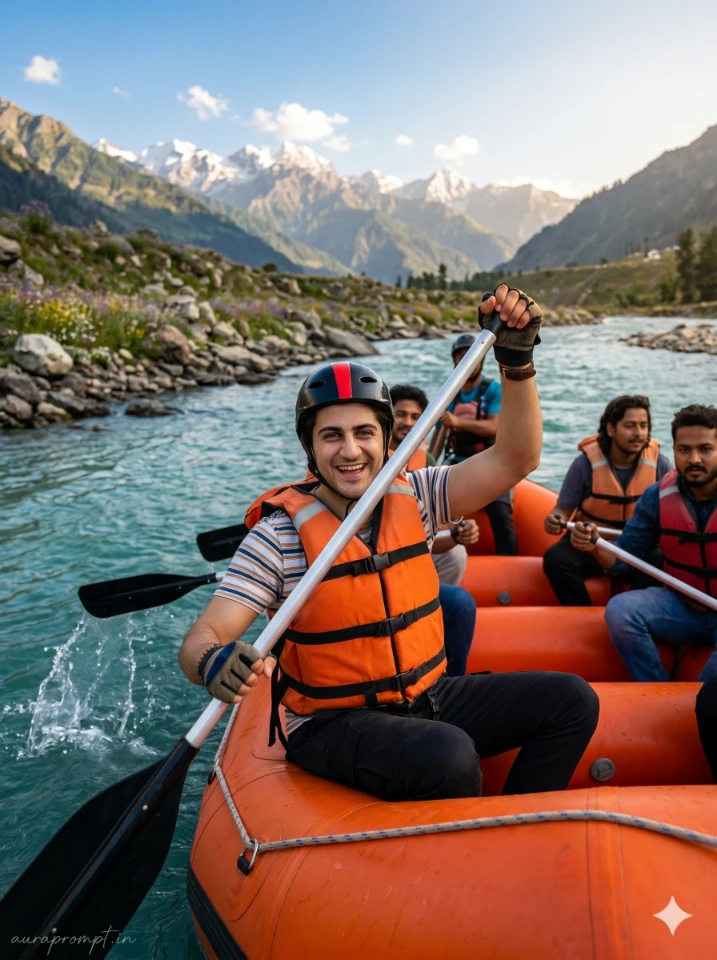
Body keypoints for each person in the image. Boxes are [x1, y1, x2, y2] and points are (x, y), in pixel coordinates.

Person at [179, 285, 599, 803]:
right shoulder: (279, 537)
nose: (350, 450)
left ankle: (520, 824)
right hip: (333, 723)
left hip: (426, 695)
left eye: (364, 432)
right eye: (331, 435)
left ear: (386, 440)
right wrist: (212, 663)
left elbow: (516, 458)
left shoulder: (417, 496)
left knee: (571, 700)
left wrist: (517, 362)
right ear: (310, 446)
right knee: (449, 755)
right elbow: (204, 635)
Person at [571, 404, 717, 682]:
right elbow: (625, 558)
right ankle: (656, 691)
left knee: (709, 691)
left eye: (706, 449)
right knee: (621, 610)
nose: (694, 458)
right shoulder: (657, 496)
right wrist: (595, 545)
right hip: (684, 607)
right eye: (684, 450)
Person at [543, 395, 671, 605]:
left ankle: (630, 610)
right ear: (611, 429)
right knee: (556, 559)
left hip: (637, 548)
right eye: (630, 426)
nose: (639, 433)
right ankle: (582, 613)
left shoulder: (661, 464)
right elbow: (562, 511)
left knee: (662, 561)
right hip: (592, 544)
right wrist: (554, 520)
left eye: (643, 426)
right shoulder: (584, 464)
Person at [390, 383, 479, 675]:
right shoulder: (364, 458)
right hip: (383, 559)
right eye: (401, 414)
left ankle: (431, 621)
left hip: (412, 551)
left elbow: (428, 530)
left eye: (416, 417)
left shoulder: (424, 461)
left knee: (456, 554)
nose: (408, 423)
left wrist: (456, 534)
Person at [434, 333, 518, 555]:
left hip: (490, 464)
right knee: (436, 511)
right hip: (458, 463)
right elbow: (439, 434)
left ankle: (508, 563)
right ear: (455, 361)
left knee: (500, 514)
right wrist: (428, 466)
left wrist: (457, 421)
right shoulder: (449, 393)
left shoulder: (493, 390)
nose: (466, 362)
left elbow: (495, 427)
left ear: (481, 361)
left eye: (471, 357)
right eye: (461, 357)